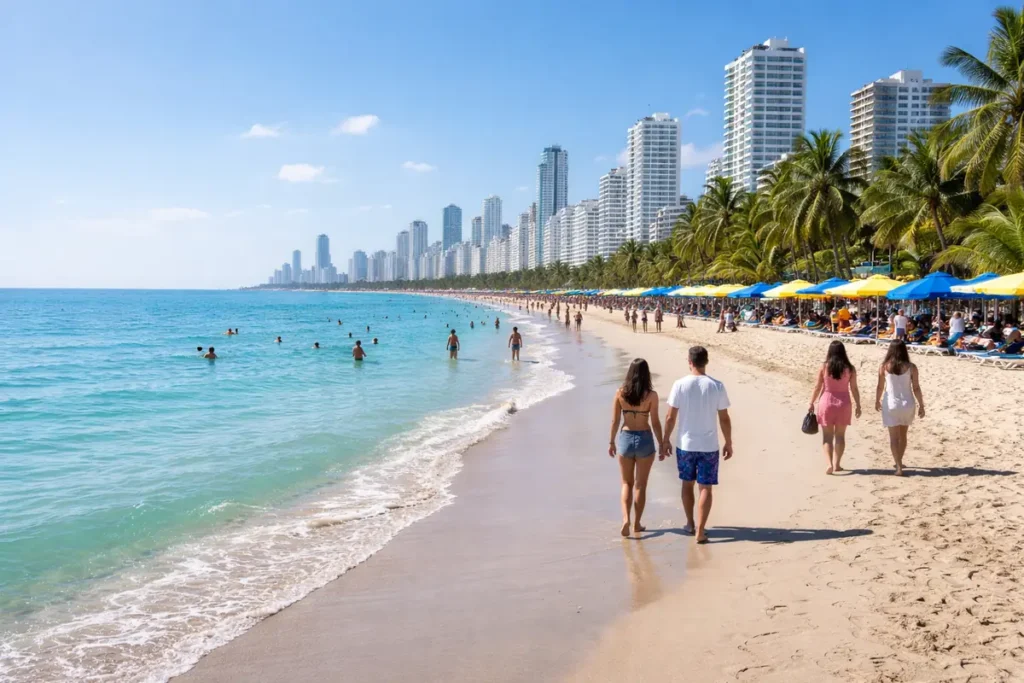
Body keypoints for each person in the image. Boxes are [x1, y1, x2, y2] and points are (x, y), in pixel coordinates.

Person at [661, 346, 732, 545]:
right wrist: (729, 442)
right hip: (709, 445)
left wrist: (666, 440)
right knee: (705, 488)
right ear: (706, 361)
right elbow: (724, 419)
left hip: (686, 444)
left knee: (687, 484)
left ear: (690, 362)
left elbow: (670, 416)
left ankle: (690, 523)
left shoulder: (680, 384)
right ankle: (700, 530)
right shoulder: (716, 386)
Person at [608, 359, 664, 537]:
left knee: (626, 483)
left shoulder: (620, 393)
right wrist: (662, 443)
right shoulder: (651, 395)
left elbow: (615, 421)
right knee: (640, 485)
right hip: (644, 438)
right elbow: (654, 422)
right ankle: (637, 523)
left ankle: (626, 519)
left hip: (625, 438)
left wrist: (611, 442)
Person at [808, 341, 862, 474]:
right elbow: (854, 388)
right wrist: (858, 405)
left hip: (826, 402)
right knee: (840, 436)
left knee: (827, 437)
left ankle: (829, 464)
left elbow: (817, 387)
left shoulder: (825, 367)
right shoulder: (850, 368)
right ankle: (837, 464)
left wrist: (811, 402)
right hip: (844, 403)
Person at [875, 341, 925, 476]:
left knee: (893, 438)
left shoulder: (884, 366)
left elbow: (880, 387)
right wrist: (921, 405)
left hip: (891, 403)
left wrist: (877, 401)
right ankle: (900, 461)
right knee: (903, 436)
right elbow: (916, 387)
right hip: (907, 403)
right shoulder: (911, 367)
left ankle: (898, 466)